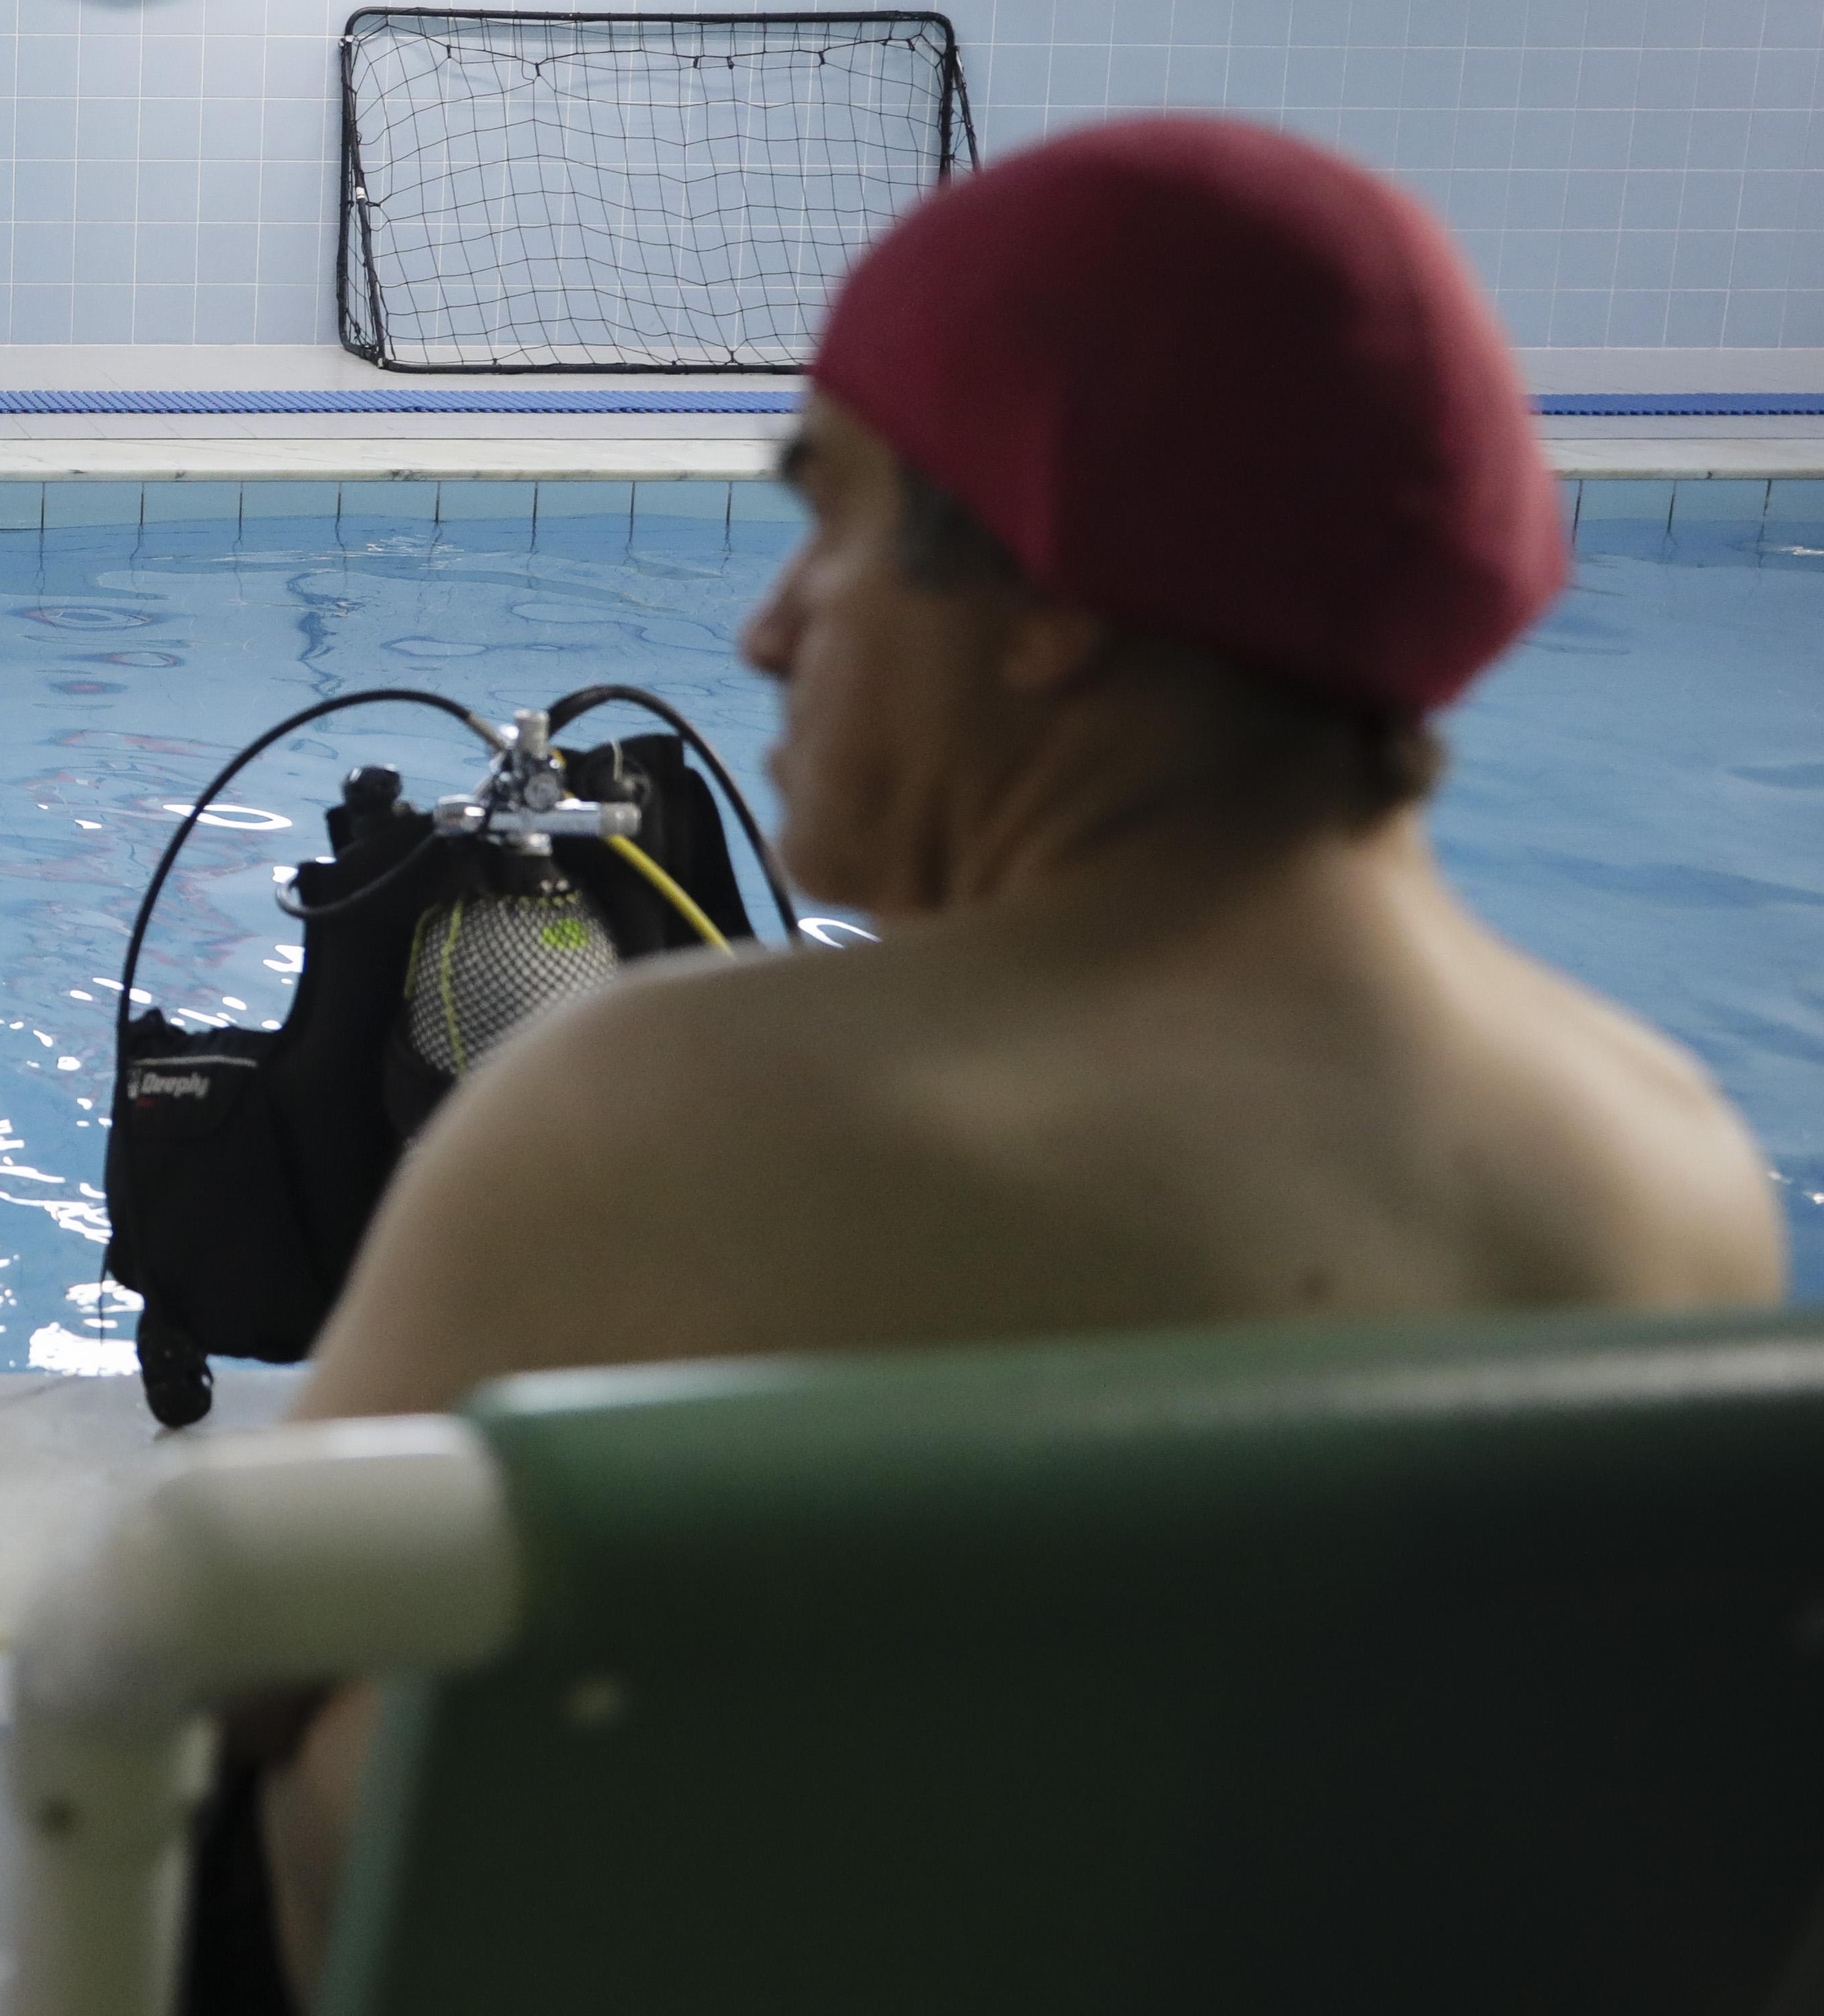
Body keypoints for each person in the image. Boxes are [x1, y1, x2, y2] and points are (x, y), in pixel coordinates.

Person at [222, 120, 1786, 2009]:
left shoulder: (661, 1119)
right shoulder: (1670, 1172)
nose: (769, 627)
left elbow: (226, 1670)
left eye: (833, 522)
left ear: (1049, 592)